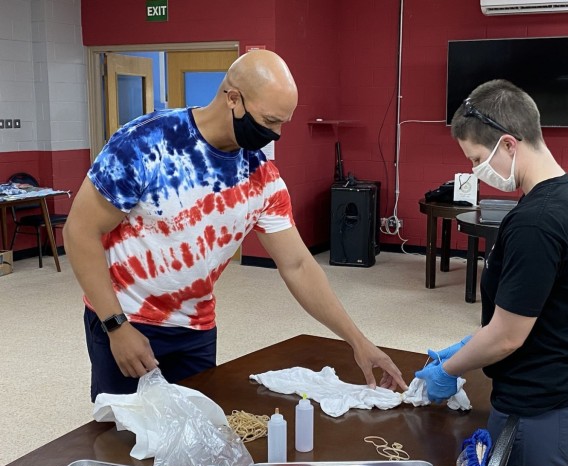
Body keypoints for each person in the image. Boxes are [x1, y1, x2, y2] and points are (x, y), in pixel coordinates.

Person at [63, 49, 407, 402]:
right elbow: (79, 231)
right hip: (124, 317)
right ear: (233, 99)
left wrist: (358, 341)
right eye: (270, 120)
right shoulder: (145, 143)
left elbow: (299, 265)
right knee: (124, 438)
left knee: (194, 435)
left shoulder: (261, 177)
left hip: (195, 328)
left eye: (282, 124)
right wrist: (116, 326)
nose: (276, 134)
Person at [415, 79, 568, 466]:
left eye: (475, 159)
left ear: (509, 144)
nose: (475, 171)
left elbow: (508, 336)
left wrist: (450, 369)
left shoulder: (536, 222)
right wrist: (470, 344)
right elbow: (540, 303)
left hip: (550, 407)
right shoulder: (566, 194)